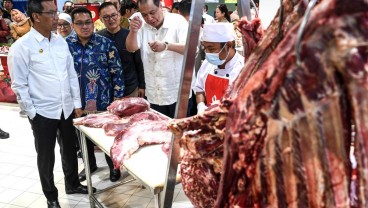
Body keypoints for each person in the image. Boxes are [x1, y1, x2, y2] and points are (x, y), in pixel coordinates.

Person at [8, 0, 95, 207]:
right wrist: (32, 113)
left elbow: (71, 74)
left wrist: (76, 103)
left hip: (66, 108)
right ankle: (51, 196)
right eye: (52, 13)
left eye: (56, 12)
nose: (57, 17)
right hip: (42, 112)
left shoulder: (60, 42)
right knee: (46, 157)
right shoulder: (22, 47)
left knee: (69, 150)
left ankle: (72, 183)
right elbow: (19, 85)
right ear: (36, 16)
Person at [66, 7, 125, 182]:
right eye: (80, 23)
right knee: (83, 137)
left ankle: (114, 166)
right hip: (77, 103)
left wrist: (117, 99)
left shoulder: (105, 43)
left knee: (107, 137)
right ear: (73, 25)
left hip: (103, 102)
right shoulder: (66, 45)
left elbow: (117, 72)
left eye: (88, 22)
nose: (85, 26)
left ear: (93, 23)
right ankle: (89, 164)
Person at [126, 0, 189, 118]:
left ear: (161, 6)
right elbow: (131, 48)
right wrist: (133, 31)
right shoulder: (141, 25)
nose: (149, 18)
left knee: (179, 131)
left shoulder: (178, 21)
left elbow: (190, 49)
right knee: (158, 131)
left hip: (177, 92)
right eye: (144, 15)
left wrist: (167, 46)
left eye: (152, 12)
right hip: (154, 91)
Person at [98, 2, 145, 98]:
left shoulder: (131, 35)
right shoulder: (98, 38)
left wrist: (142, 86)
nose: (111, 19)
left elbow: (139, 62)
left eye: (113, 15)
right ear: (101, 19)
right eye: (106, 17)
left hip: (130, 88)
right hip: (106, 90)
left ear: (119, 15)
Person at [195, 23, 244, 113]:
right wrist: (201, 106)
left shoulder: (243, 68)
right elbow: (199, 89)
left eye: (211, 48)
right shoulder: (207, 64)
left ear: (229, 45)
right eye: (205, 48)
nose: (207, 53)